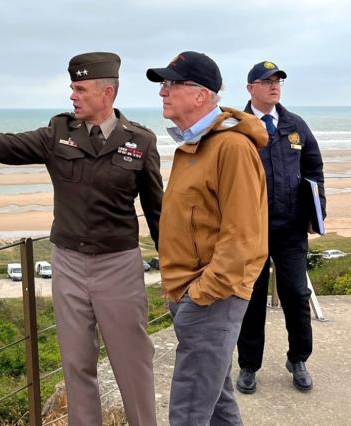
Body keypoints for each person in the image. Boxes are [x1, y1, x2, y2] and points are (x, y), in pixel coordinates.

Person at [0, 52, 162, 425]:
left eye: (80, 88)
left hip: (118, 266)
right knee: (76, 366)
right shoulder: (59, 134)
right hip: (69, 265)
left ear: (107, 92)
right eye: (72, 87)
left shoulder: (140, 142)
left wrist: (173, 272)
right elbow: (1, 146)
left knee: (133, 364)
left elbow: (158, 214)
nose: (72, 95)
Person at [146, 51, 268, 425]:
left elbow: (243, 235)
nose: (163, 92)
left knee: (187, 411)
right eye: (162, 84)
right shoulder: (194, 143)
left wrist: (201, 295)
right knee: (216, 403)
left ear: (200, 95)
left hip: (212, 295)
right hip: (190, 291)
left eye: (171, 84)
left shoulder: (230, 147)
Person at [236, 61, 326, 394]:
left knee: (297, 295)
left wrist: (317, 214)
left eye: (278, 81)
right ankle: (248, 365)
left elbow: (314, 168)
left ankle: (298, 358)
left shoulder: (294, 125)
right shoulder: (238, 127)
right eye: (266, 81)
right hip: (250, 232)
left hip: (290, 230)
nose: (274, 86)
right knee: (251, 298)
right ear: (250, 88)